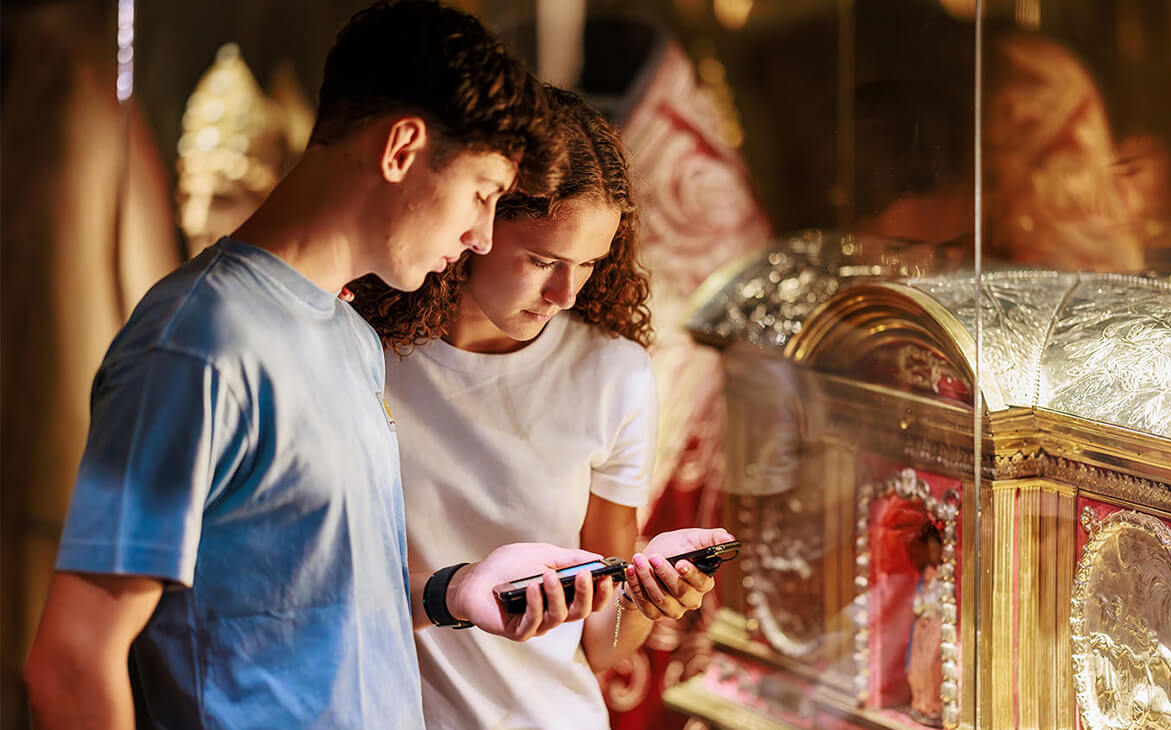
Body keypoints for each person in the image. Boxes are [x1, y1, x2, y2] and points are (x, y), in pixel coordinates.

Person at [22, 3, 619, 729]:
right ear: (402, 147)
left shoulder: (349, 335)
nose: (479, 235)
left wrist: (452, 593)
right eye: (482, 194)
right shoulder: (199, 345)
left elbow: (305, 604)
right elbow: (74, 660)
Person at [350, 86, 733, 729]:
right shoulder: (363, 351)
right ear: (476, 220)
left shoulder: (613, 373)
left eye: (588, 264)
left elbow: (602, 645)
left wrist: (648, 598)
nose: (564, 292)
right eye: (541, 260)